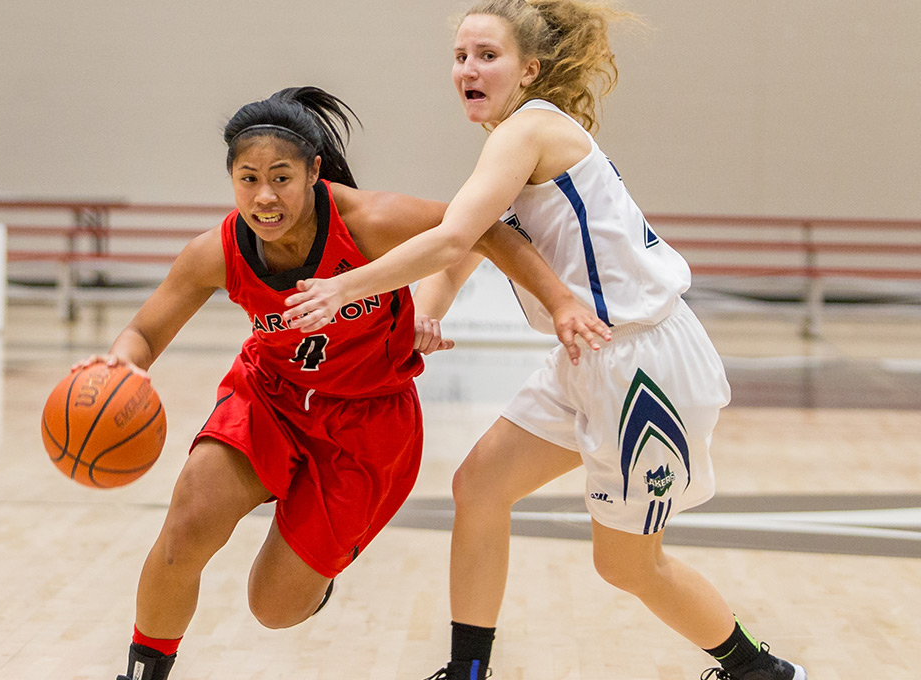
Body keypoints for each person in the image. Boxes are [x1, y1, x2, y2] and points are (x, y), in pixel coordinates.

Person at [282, 3, 808, 680]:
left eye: (487, 56)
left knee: (624, 564)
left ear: (530, 69)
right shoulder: (512, 140)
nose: (467, 69)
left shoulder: (529, 130)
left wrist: (344, 290)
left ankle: (758, 670)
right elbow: (470, 246)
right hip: (587, 356)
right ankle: (468, 671)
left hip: (643, 364)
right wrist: (426, 312)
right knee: (478, 486)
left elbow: (448, 236)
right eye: (461, 56)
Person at [71, 86, 609, 680]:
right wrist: (122, 363)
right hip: (268, 400)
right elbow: (143, 334)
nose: (265, 196)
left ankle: (312, 575)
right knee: (185, 530)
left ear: (313, 173)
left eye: (281, 177)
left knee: (272, 608)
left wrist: (557, 300)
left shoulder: (372, 222)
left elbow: (487, 231)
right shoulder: (217, 252)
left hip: (367, 423)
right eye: (248, 179)